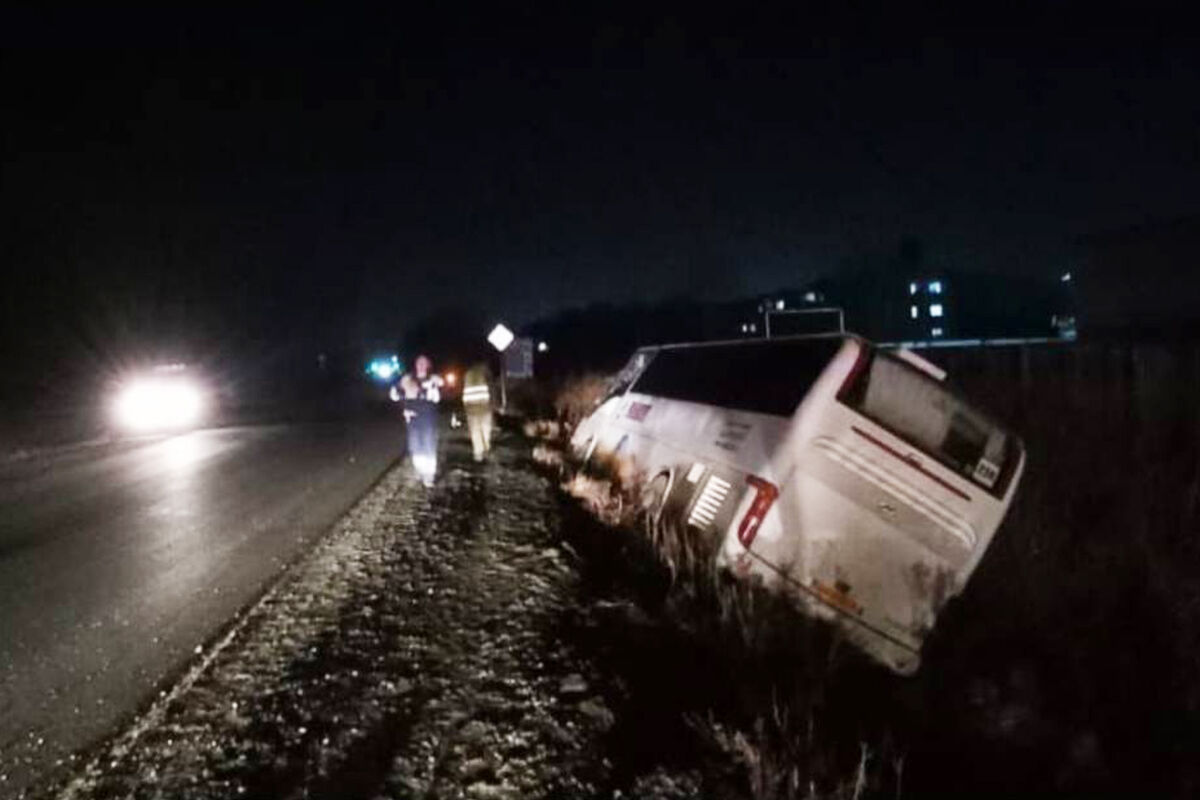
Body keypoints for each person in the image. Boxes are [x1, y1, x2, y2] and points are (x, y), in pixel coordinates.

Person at [398, 354, 443, 486]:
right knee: (415, 445)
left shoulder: (433, 379)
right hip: (412, 419)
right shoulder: (408, 379)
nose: (421, 365)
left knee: (428, 444)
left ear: (428, 365)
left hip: (428, 418)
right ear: (416, 365)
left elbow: (439, 396)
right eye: (419, 363)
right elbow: (397, 394)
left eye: (424, 363)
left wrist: (434, 385)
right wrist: (404, 408)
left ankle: (429, 474)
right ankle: (419, 470)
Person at [461, 361, 494, 461]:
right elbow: (491, 390)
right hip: (483, 408)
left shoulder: (467, 375)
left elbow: (464, 394)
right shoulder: (485, 374)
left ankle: (479, 452)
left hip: (472, 409)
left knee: (476, 430)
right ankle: (484, 449)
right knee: (485, 429)